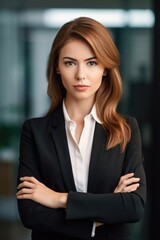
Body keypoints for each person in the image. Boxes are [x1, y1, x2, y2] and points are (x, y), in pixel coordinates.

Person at [16, 17, 146, 240]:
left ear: (105, 68)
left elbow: (133, 207)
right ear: (57, 67)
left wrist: (58, 199)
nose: (80, 75)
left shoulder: (126, 129)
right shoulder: (34, 132)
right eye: (70, 63)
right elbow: (31, 214)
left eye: (92, 63)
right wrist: (104, 212)